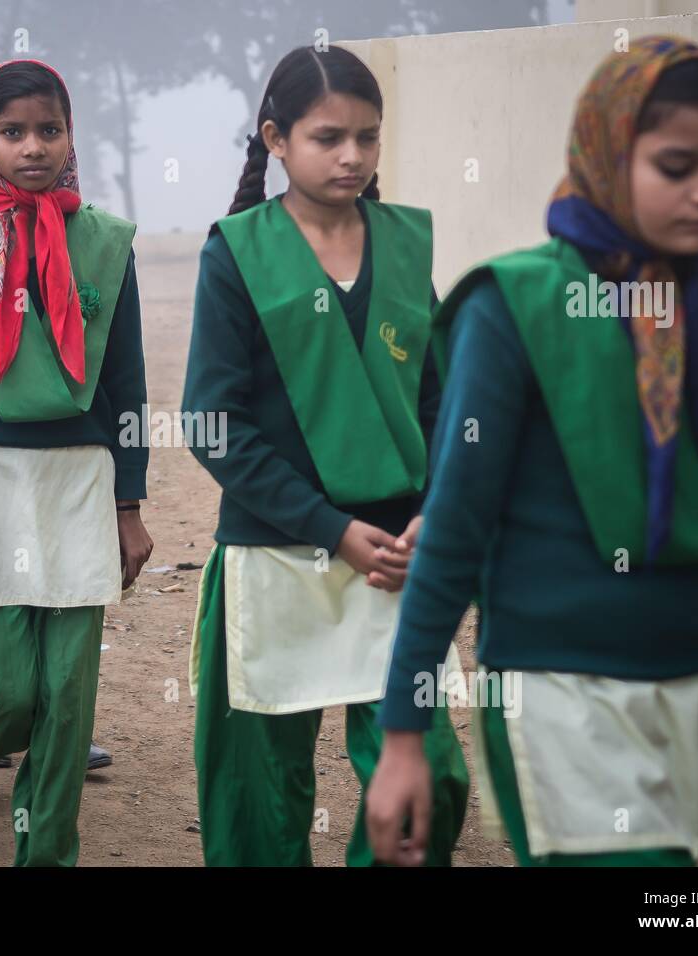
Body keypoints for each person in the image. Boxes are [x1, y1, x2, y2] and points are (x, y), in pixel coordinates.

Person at [366, 36, 698, 866]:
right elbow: (456, 530)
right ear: (610, 149)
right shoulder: (513, 307)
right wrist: (403, 731)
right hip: (558, 699)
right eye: (679, 165)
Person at [182, 45, 467, 867]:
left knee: (430, 783)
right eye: (328, 137)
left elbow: (444, 405)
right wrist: (328, 527)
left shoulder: (406, 245)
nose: (352, 157)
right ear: (275, 138)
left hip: (398, 558)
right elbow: (212, 423)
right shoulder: (236, 252)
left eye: (369, 138)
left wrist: (430, 514)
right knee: (258, 799)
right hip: (275, 553)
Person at [0, 60, 151, 866]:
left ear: (72, 134)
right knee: (6, 691)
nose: (34, 147)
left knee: (66, 700)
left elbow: (125, 383)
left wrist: (130, 504)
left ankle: (45, 849)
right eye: (13, 132)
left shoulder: (106, 244)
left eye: (50, 129)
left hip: (78, 484)